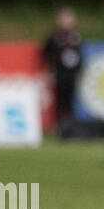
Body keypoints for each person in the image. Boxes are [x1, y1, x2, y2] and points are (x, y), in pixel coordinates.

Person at [41, 8, 83, 136]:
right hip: (60, 73)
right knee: (60, 101)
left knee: (71, 101)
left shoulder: (76, 37)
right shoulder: (54, 37)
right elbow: (46, 53)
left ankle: (70, 127)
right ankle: (59, 127)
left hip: (72, 74)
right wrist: (51, 66)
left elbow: (80, 55)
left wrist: (80, 69)